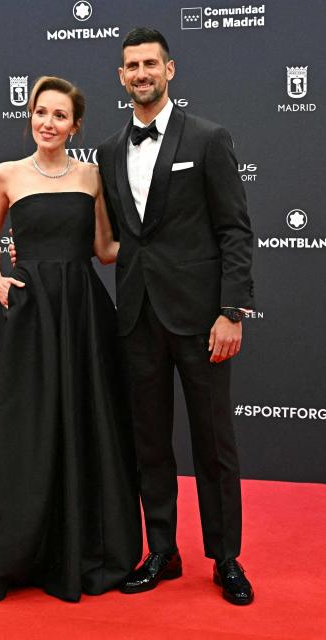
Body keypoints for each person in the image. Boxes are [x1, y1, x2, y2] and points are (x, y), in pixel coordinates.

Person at [96, 28, 256, 605]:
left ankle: (226, 557)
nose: (140, 73)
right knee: (150, 444)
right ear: (121, 77)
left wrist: (231, 311)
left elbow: (235, 230)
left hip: (200, 318)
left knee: (214, 444)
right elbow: (109, 238)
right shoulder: (110, 150)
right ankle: (161, 549)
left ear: (170, 70)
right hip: (137, 315)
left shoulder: (210, 139)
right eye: (130, 65)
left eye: (149, 64)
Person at [0, 76, 141, 603]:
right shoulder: (6, 174)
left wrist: (159, 239)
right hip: (30, 312)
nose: (48, 123)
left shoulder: (92, 176)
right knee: (31, 427)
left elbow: (106, 248)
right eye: (40, 112)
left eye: (59, 116)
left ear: (75, 125)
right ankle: (21, 553)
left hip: (83, 312)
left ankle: (87, 548)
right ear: (31, 116)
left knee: (88, 422)